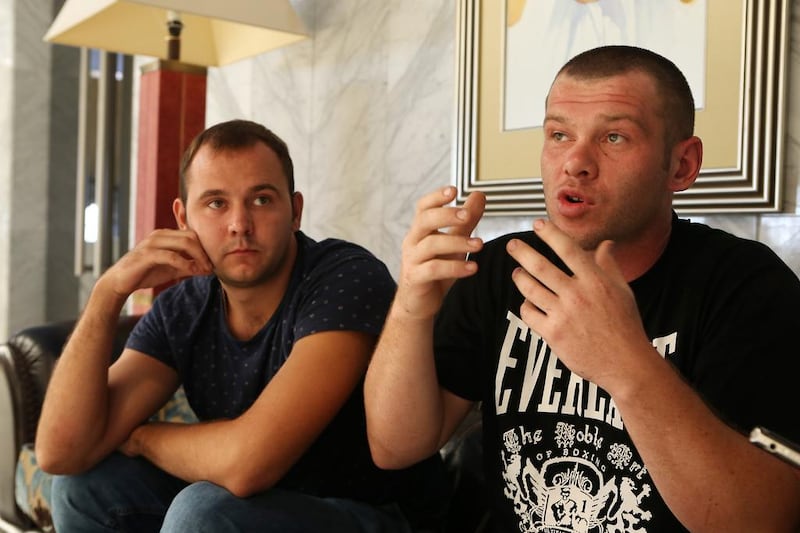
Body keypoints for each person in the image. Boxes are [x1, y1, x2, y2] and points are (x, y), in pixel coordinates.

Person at [364, 45, 800, 532]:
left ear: (681, 166)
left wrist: (627, 365)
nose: (575, 162)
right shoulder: (500, 269)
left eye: (614, 137)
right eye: (558, 135)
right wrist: (411, 308)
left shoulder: (744, 286)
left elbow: (763, 521)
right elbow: (395, 448)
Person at [36, 119, 447, 532]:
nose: (239, 224)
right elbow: (61, 453)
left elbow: (248, 464)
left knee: (203, 512)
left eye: (262, 200)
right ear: (183, 218)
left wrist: (142, 437)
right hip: (261, 507)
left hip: (379, 515)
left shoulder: (344, 278)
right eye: (216, 203)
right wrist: (107, 294)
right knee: (82, 487)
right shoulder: (185, 308)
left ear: (295, 211)